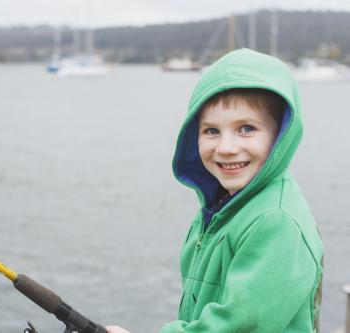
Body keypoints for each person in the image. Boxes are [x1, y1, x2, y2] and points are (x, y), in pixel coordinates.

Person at [106, 48, 323, 333]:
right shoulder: (220, 207)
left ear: (280, 134)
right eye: (211, 131)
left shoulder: (276, 221)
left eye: (246, 128)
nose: (226, 148)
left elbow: (239, 325)